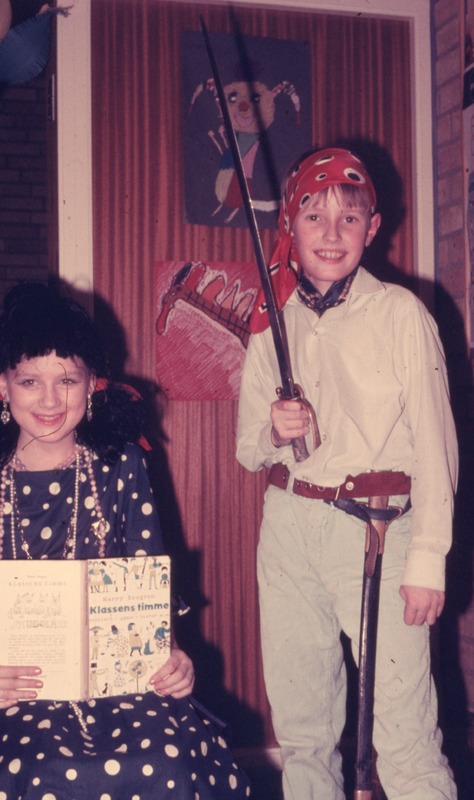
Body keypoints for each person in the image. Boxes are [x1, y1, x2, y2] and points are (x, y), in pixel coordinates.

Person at [236, 147, 458, 800]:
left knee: (404, 733)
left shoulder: (402, 314)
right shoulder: (270, 321)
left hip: (376, 530)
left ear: (373, 227)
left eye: (349, 218)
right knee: (303, 730)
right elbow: (248, 449)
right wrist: (276, 431)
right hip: (288, 526)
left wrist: (429, 559)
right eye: (314, 216)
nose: (331, 233)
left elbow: (437, 447)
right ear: (290, 226)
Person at [0, 281, 250, 799]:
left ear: (93, 383)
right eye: (29, 381)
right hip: (13, 688)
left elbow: (146, 579)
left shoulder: (122, 465)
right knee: (39, 768)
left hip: (117, 682)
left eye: (67, 380)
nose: (50, 400)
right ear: (3, 386)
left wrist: (171, 654)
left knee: (167, 756)